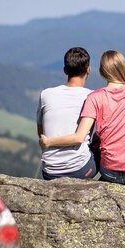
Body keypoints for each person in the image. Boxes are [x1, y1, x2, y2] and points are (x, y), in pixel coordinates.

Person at [40, 50, 125, 186]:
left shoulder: (94, 97)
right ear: (124, 68)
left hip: (108, 173)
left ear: (102, 71)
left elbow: (79, 135)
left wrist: (49, 142)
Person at [36, 47, 99, 180]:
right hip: (80, 170)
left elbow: (41, 134)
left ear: (65, 70)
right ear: (89, 70)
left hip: (49, 172)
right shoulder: (92, 96)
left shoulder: (46, 94)